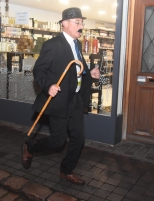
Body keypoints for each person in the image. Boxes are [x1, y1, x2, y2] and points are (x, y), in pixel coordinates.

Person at [22, 7, 102, 185]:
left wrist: (90, 73)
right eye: (77, 23)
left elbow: (76, 70)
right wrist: (48, 86)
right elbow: (39, 70)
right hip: (59, 100)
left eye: (82, 22)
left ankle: (66, 171)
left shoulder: (77, 44)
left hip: (74, 99)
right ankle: (30, 146)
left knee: (78, 138)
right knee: (58, 141)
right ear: (64, 24)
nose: (81, 26)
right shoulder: (52, 44)